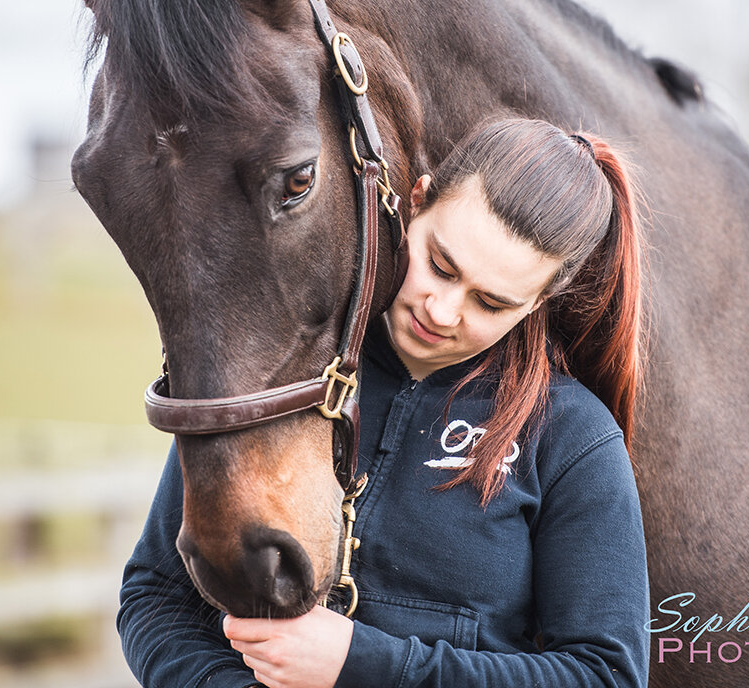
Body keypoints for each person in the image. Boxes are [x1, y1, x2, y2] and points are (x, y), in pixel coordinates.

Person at [118, 118, 651, 688]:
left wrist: (363, 664)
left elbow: (606, 674)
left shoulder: (572, 437)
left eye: (491, 302)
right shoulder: (284, 368)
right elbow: (156, 595)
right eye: (441, 265)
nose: (442, 312)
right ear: (415, 203)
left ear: (539, 299)